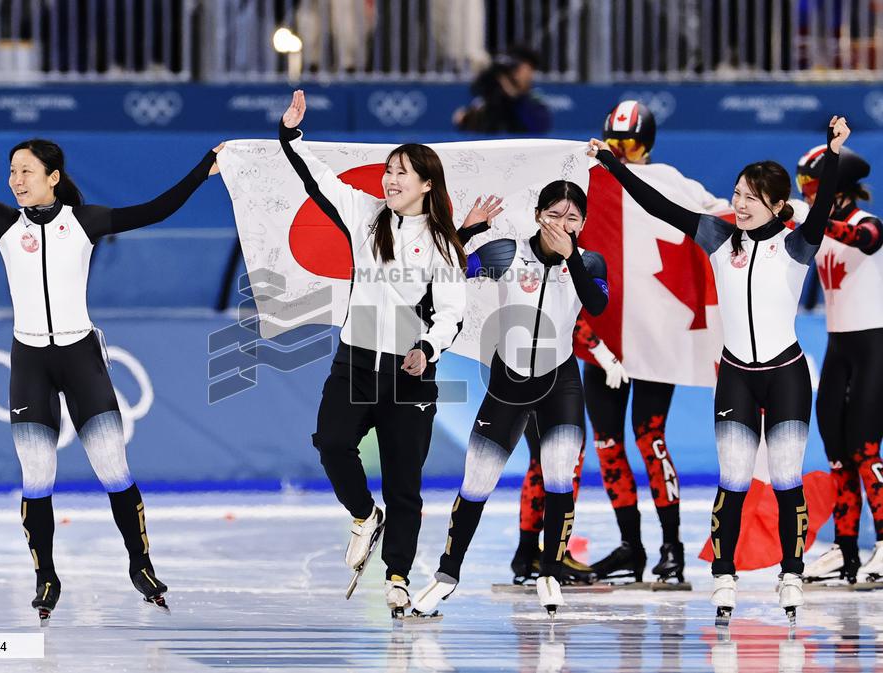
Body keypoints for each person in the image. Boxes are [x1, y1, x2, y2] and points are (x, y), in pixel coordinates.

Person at [0, 91, 221, 622]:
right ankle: (45, 576)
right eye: (11, 171)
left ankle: (141, 565)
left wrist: (204, 168)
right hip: (29, 361)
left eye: (25, 171)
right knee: (37, 476)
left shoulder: (84, 222)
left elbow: (156, 209)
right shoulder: (5, 224)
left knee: (114, 469)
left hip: (79, 356)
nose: (15, 180)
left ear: (53, 176)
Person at [587, 115, 849, 626]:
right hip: (736, 376)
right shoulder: (717, 237)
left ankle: (790, 572)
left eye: (751, 196)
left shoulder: (797, 244)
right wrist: (611, 166)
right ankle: (724, 573)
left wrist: (833, 152)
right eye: (737, 193)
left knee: (786, 480)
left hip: (787, 374)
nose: (741, 203)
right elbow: (659, 207)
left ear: (776, 204)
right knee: (731, 481)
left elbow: (820, 206)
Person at [512, 100, 731, 588]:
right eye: (614, 145)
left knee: (649, 439)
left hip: (657, 334)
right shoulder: (589, 181)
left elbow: (725, 216)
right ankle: (632, 545)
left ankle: (670, 549)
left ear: (647, 146)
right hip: (602, 337)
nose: (621, 154)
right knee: (608, 446)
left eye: (629, 145)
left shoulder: (673, 182)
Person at [277, 90, 467, 617]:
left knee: (405, 481)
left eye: (403, 172)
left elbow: (453, 311)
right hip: (357, 359)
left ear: (427, 184)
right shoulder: (363, 214)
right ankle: (364, 515)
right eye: (388, 169)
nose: (391, 178)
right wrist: (291, 135)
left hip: (411, 373)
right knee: (332, 442)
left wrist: (427, 347)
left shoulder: (445, 244)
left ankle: (398, 577)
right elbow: (316, 180)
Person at [412, 180, 609, 618]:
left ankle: (551, 572)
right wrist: (464, 232)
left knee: (560, 478)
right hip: (509, 384)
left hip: (561, 384)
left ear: (583, 224)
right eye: (554, 214)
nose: (562, 224)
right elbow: (445, 274)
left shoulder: (590, 262)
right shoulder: (507, 252)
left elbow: (596, 306)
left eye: (572, 217)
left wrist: (572, 256)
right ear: (538, 215)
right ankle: (447, 574)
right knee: (476, 484)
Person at [795, 145, 883, 585]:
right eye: (806, 190)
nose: (809, 196)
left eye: (814, 188)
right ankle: (845, 550)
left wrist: (812, 221)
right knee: (837, 454)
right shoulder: (823, 229)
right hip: (838, 348)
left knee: (867, 451)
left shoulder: (865, 223)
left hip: (874, 347)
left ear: (841, 190)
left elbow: (865, 240)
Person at [454, 46, 551, 135]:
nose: (515, 73)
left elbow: (538, 128)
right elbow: (475, 89)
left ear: (531, 72)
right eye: (513, 68)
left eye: (520, 68)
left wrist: (515, 97)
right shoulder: (495, 96)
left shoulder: (534, 101)